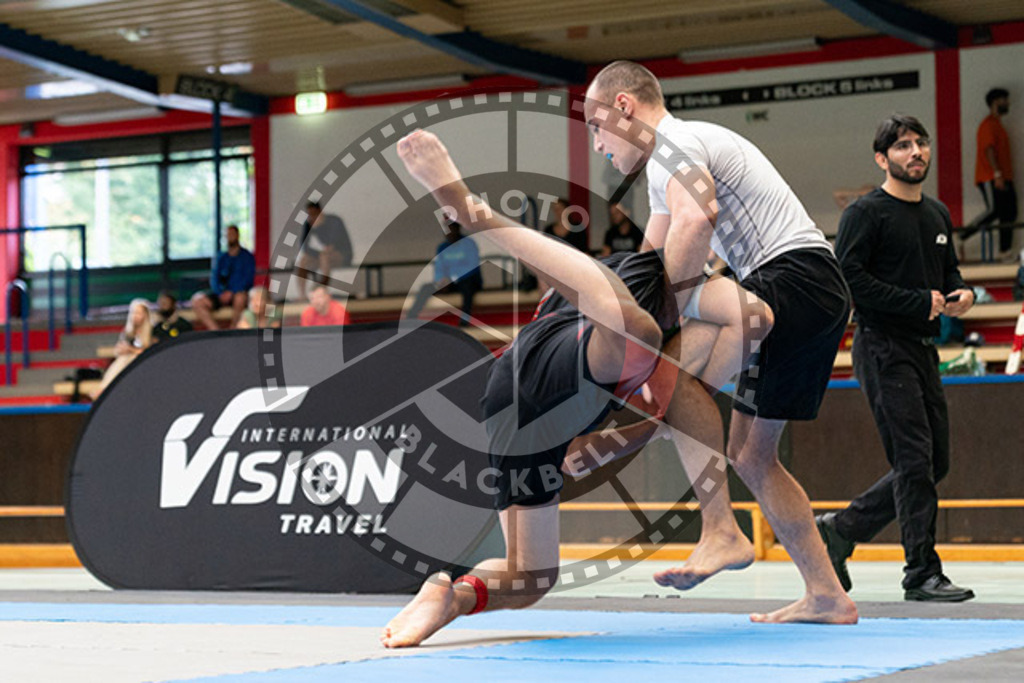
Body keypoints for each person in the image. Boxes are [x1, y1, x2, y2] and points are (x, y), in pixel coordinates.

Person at [380, 111, 779, 647]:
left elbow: (667, 409)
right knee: (633, 326)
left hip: (514, 400)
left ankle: (450, 595)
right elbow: (755, 315)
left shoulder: (658, 316)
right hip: (561, 358)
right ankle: (470, 209)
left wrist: (636, 427)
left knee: (529, 576)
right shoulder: (681, 280)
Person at [583, 60, 856, 624]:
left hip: (792, 277)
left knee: (673, 380)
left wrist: (669, 320)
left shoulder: (674, 144)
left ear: (624, 107)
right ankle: (827, 595)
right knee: (751, 456)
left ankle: (721, 532)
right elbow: (648, 264)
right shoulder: (672, 162)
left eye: (595, 126)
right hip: (817, 291)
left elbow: (696, 219)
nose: (597, 145)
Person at [817, 115, 976, 602]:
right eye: (903, 145)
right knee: (913, 461)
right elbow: (850, 280)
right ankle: (921, 573)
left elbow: (949, 272)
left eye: (921, 143)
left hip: (923, 350)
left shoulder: (937, 214)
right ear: (882, 158)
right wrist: (916, 302)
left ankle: (840, 530)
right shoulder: (866, 214)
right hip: (882, 346)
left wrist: (962, 293)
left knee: (934, 462)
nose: (916, 152)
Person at [961, 88, 1018, 261]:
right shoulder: (987, 125)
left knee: (1010, 213)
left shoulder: (998, 125)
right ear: (995, 102)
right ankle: (962, 236)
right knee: (994, 210)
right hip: (990, 177)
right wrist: (997, 174)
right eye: (1004, 100)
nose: (1007, 104)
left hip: (1005, 177)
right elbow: (988, 150)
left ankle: (1005, 251)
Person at [404, 220, 483, 326]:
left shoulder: (469, 244)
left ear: (457, 229)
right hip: (448, 283)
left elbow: (472, 267)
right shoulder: (442, 247)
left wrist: (452, 278)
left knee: (467, 286)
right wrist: (441, 281)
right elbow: (439, 268)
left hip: (468, 281)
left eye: (451, 230)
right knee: (426, 288)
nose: (449, 233)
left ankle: (465, 318)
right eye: (446, 231)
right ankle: (411, 317)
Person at [191, 225, 255, 330]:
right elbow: (214, 277)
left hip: (238, 294)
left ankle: (234, 329)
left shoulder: (247, 256)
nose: (230, 237)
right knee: (197, 300)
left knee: (240, 297)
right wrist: (221, 292)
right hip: (220, 295)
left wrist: (232, 291)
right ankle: (216, 331)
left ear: (238, 235)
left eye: (232, 234)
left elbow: (248, 279)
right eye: (227, 235)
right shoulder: (220, 256)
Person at [92, 298, 153, 398]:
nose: (136, 316)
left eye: (139, 313)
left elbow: (150, 352)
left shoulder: (152, 331)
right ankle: (105, 388)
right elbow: (119, 350)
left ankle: (104, 389)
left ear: (145, 314)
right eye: (134, 313)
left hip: (146, 363)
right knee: (123, 358)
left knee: (129, 357)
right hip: (128, 364)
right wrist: (121, 349)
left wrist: (131, 350)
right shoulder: (128, 333)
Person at [296, 201, 353, 298]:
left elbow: (333, 244)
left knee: (324, 257)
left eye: (314, 214)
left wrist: (318, 227)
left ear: (320, 212)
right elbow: (305, 246)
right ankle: (302, 295)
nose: (312, 218)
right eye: (310, 215)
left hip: (342, 254)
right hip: (323, 254)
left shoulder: (334, 221)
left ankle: (322, 290)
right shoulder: (309, 223)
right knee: (303, 260)